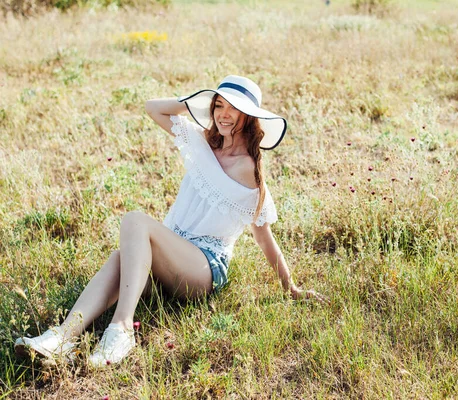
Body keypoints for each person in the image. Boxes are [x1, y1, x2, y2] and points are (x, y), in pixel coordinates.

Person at [14, 75, 326, 367]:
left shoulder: (248, 170)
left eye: (235, 109)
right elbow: (154, 109)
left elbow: (263, 237)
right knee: (120, 258)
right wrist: (197, 101)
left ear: (249, 117)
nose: (224, 115)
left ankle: (122, 329)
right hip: (170, 259)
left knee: (136, 221)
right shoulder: (203, 143)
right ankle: (63, 338)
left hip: (204, 267)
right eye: (219, 106)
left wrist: (291, 288)